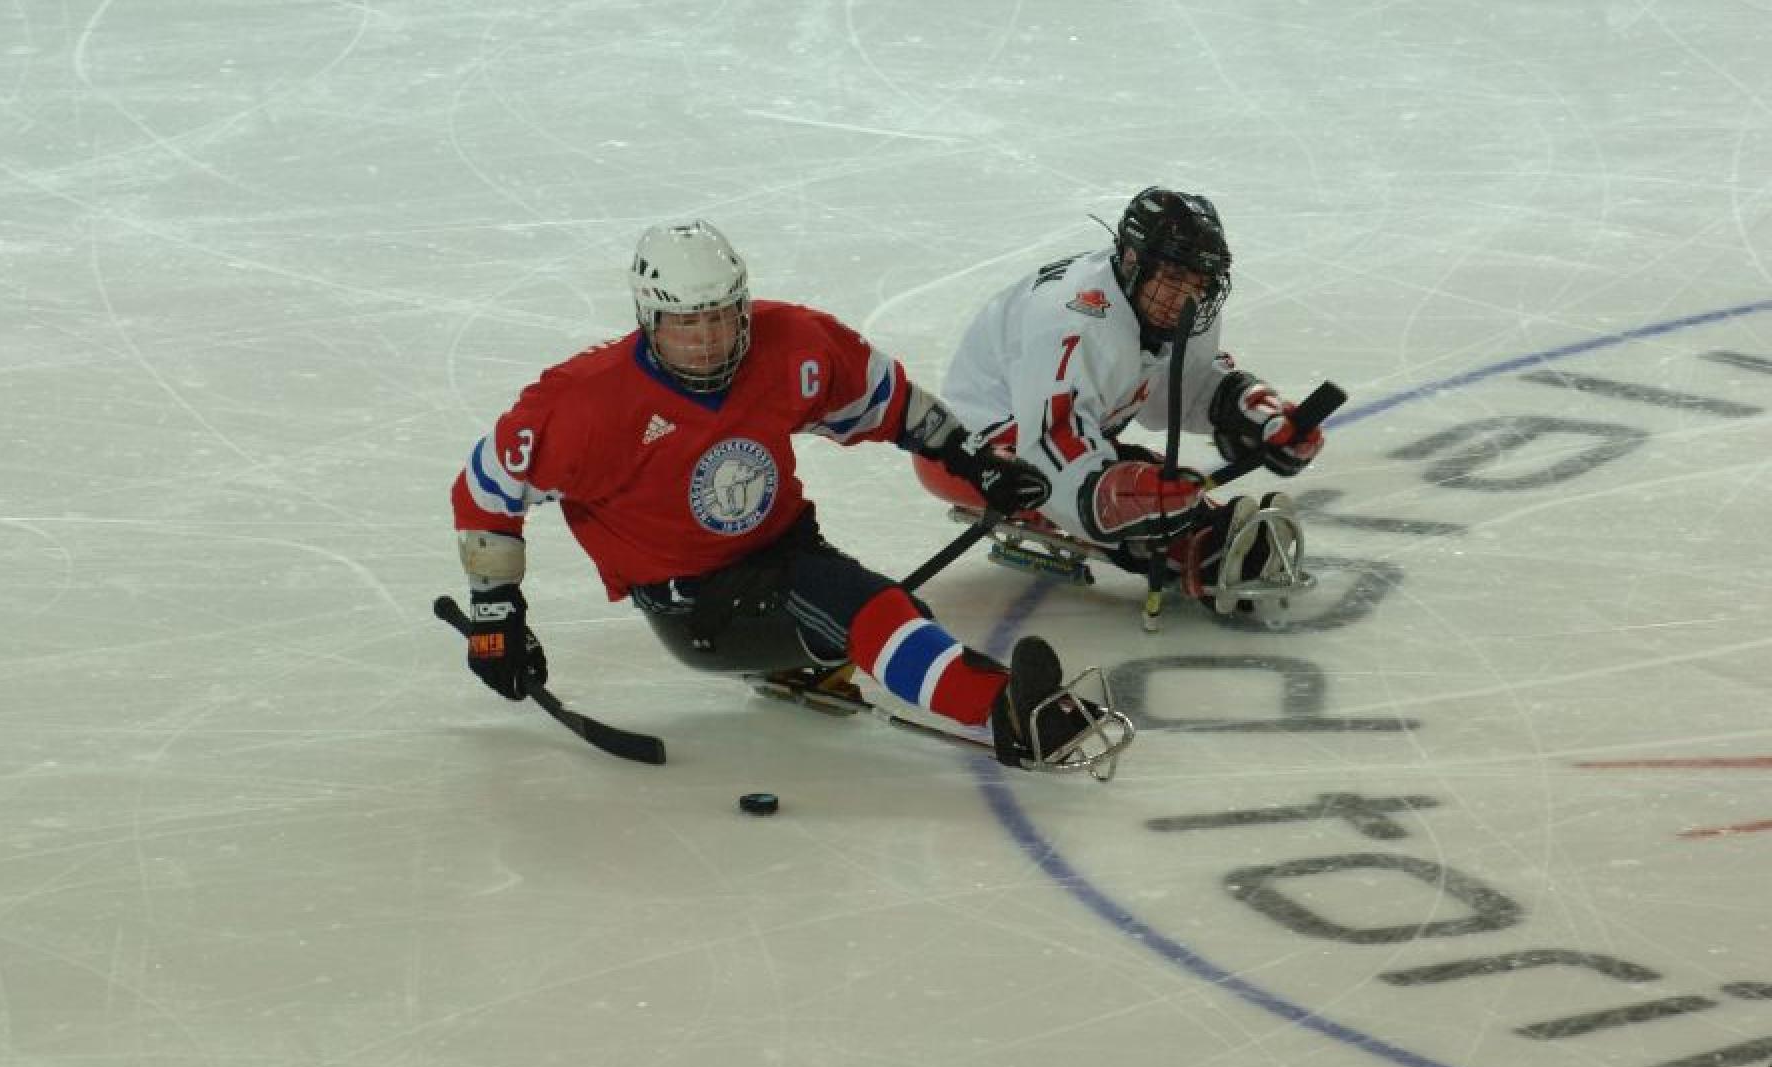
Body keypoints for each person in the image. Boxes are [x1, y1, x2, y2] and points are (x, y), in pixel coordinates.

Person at [449, 219, 1110, 770]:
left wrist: (973, 459)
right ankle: (1009, 714)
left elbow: (887, 400)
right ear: (649, 319)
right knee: (869, 606)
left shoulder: (791, 343)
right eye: (687, 323)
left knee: (864, 604)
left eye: (720, 316)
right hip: (694, 601)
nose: (708, 340)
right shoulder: (586, 406)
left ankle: (949, 683)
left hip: (786, 548)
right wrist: (494, 617)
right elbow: (485, 489)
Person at [913, 187, 1326, 614]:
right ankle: (1196, 545)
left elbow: (1182, 384)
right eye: (1172, 277)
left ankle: (1203, 537)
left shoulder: (1176, 305)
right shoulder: (1075, 322)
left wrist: (1254, 416)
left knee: (1153, 489)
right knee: (1141, 495)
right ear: (1132, 259)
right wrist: (1113, 494)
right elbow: (1048, 444)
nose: (1186, 296)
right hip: (970, 453)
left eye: (1198, 282)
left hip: (1062, 428)